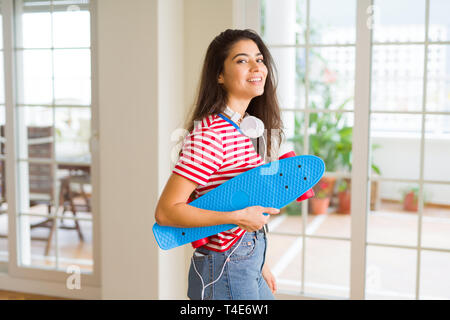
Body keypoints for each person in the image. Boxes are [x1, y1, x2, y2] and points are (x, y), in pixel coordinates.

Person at [154, 29, 285, 300]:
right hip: (227, 265)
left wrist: (261, 264)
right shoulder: (212, 134)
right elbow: (167, 212)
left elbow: (240, 200)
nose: (256, 67)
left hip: (246, 259)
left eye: (259, 59)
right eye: (241, 60)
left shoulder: (240, 128)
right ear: (220, 75)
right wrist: (238, 218)